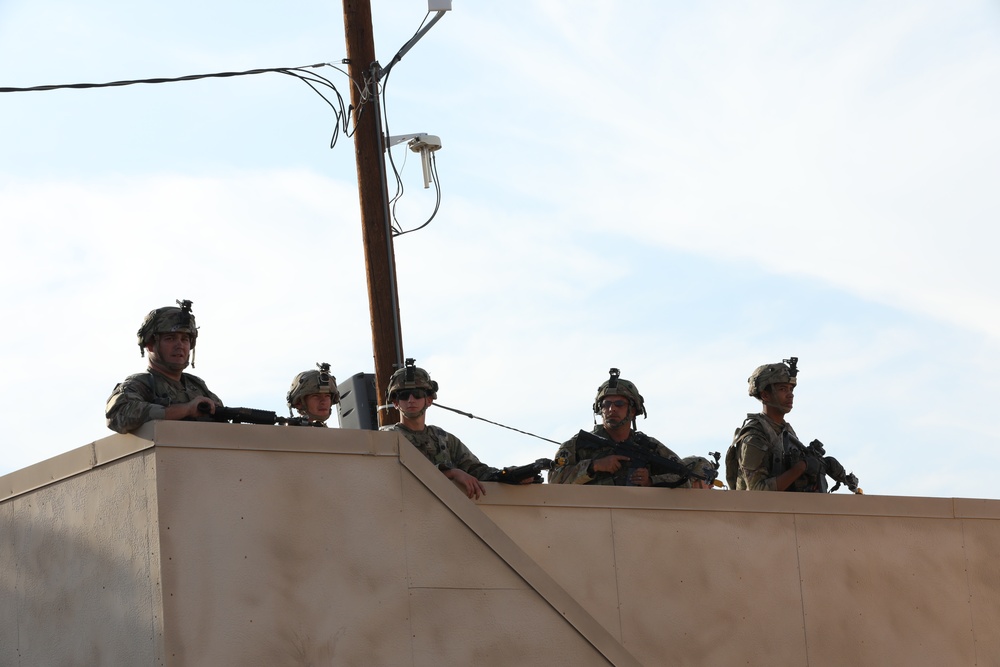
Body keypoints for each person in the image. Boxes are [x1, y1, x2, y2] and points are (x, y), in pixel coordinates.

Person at [379, 359, 520, 500]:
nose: (411, 400)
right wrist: (452, 473)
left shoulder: (443, 439)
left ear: (429, 400)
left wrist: (511, 476)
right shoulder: (388, 438)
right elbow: (401, 476)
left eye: (417, 394)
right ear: (396, 402)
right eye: (404, 395)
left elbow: (477, 471)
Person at [548, 368, 688, 487]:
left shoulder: (649, 448)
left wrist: (651, 481)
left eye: (619, 404)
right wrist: (593, 466)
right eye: (606, 404)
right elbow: (553, 480)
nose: (611, 409)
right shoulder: (577, 445)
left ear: (633, 410)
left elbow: (685, 478)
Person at [106, 299, 222, 434]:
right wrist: (186, 409)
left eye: (185, 339)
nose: (180, 346)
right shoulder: (140, 385)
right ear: (150, 344)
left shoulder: (197, 387)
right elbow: (118, 415)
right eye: (170, 338)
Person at [726, 356, 818, 491]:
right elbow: (757, 491)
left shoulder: (786, 432)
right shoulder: (754, 437)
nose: (790, 395)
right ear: (765, 395)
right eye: (782, 389)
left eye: (791, 389)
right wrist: (800, 468)